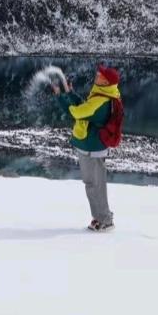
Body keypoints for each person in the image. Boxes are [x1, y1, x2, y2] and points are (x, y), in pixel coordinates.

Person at [52, 65, 122, 232]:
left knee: (96, 185)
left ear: (105, 81)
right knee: (92, 184)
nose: (96, 75)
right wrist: (69, 93)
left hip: (93, 150)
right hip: (89, 148)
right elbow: (85, 107)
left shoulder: (102, 101)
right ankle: (99, 217)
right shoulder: (102, 94)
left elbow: (77, 112)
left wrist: (60, 97)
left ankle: (105, 220)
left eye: (99, 75)